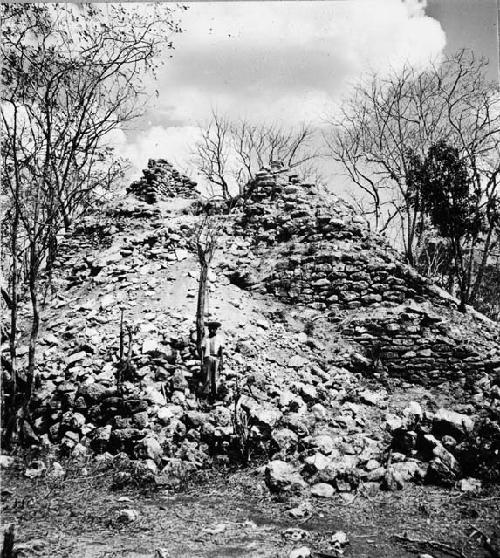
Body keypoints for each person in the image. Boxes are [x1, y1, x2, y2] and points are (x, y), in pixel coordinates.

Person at [200, 321, 224, 400]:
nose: (212, 330)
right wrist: (202, 361)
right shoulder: (206, 337)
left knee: (214, 378)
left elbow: (221, 350)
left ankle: (214, 395)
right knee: (207, 377)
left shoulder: (219, 338)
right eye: (210, 329)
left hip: (216, 358)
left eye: (214, 329)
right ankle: (205, 395)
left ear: (216, 329)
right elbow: (203, 349)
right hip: (208, 358)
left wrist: (221, 362)